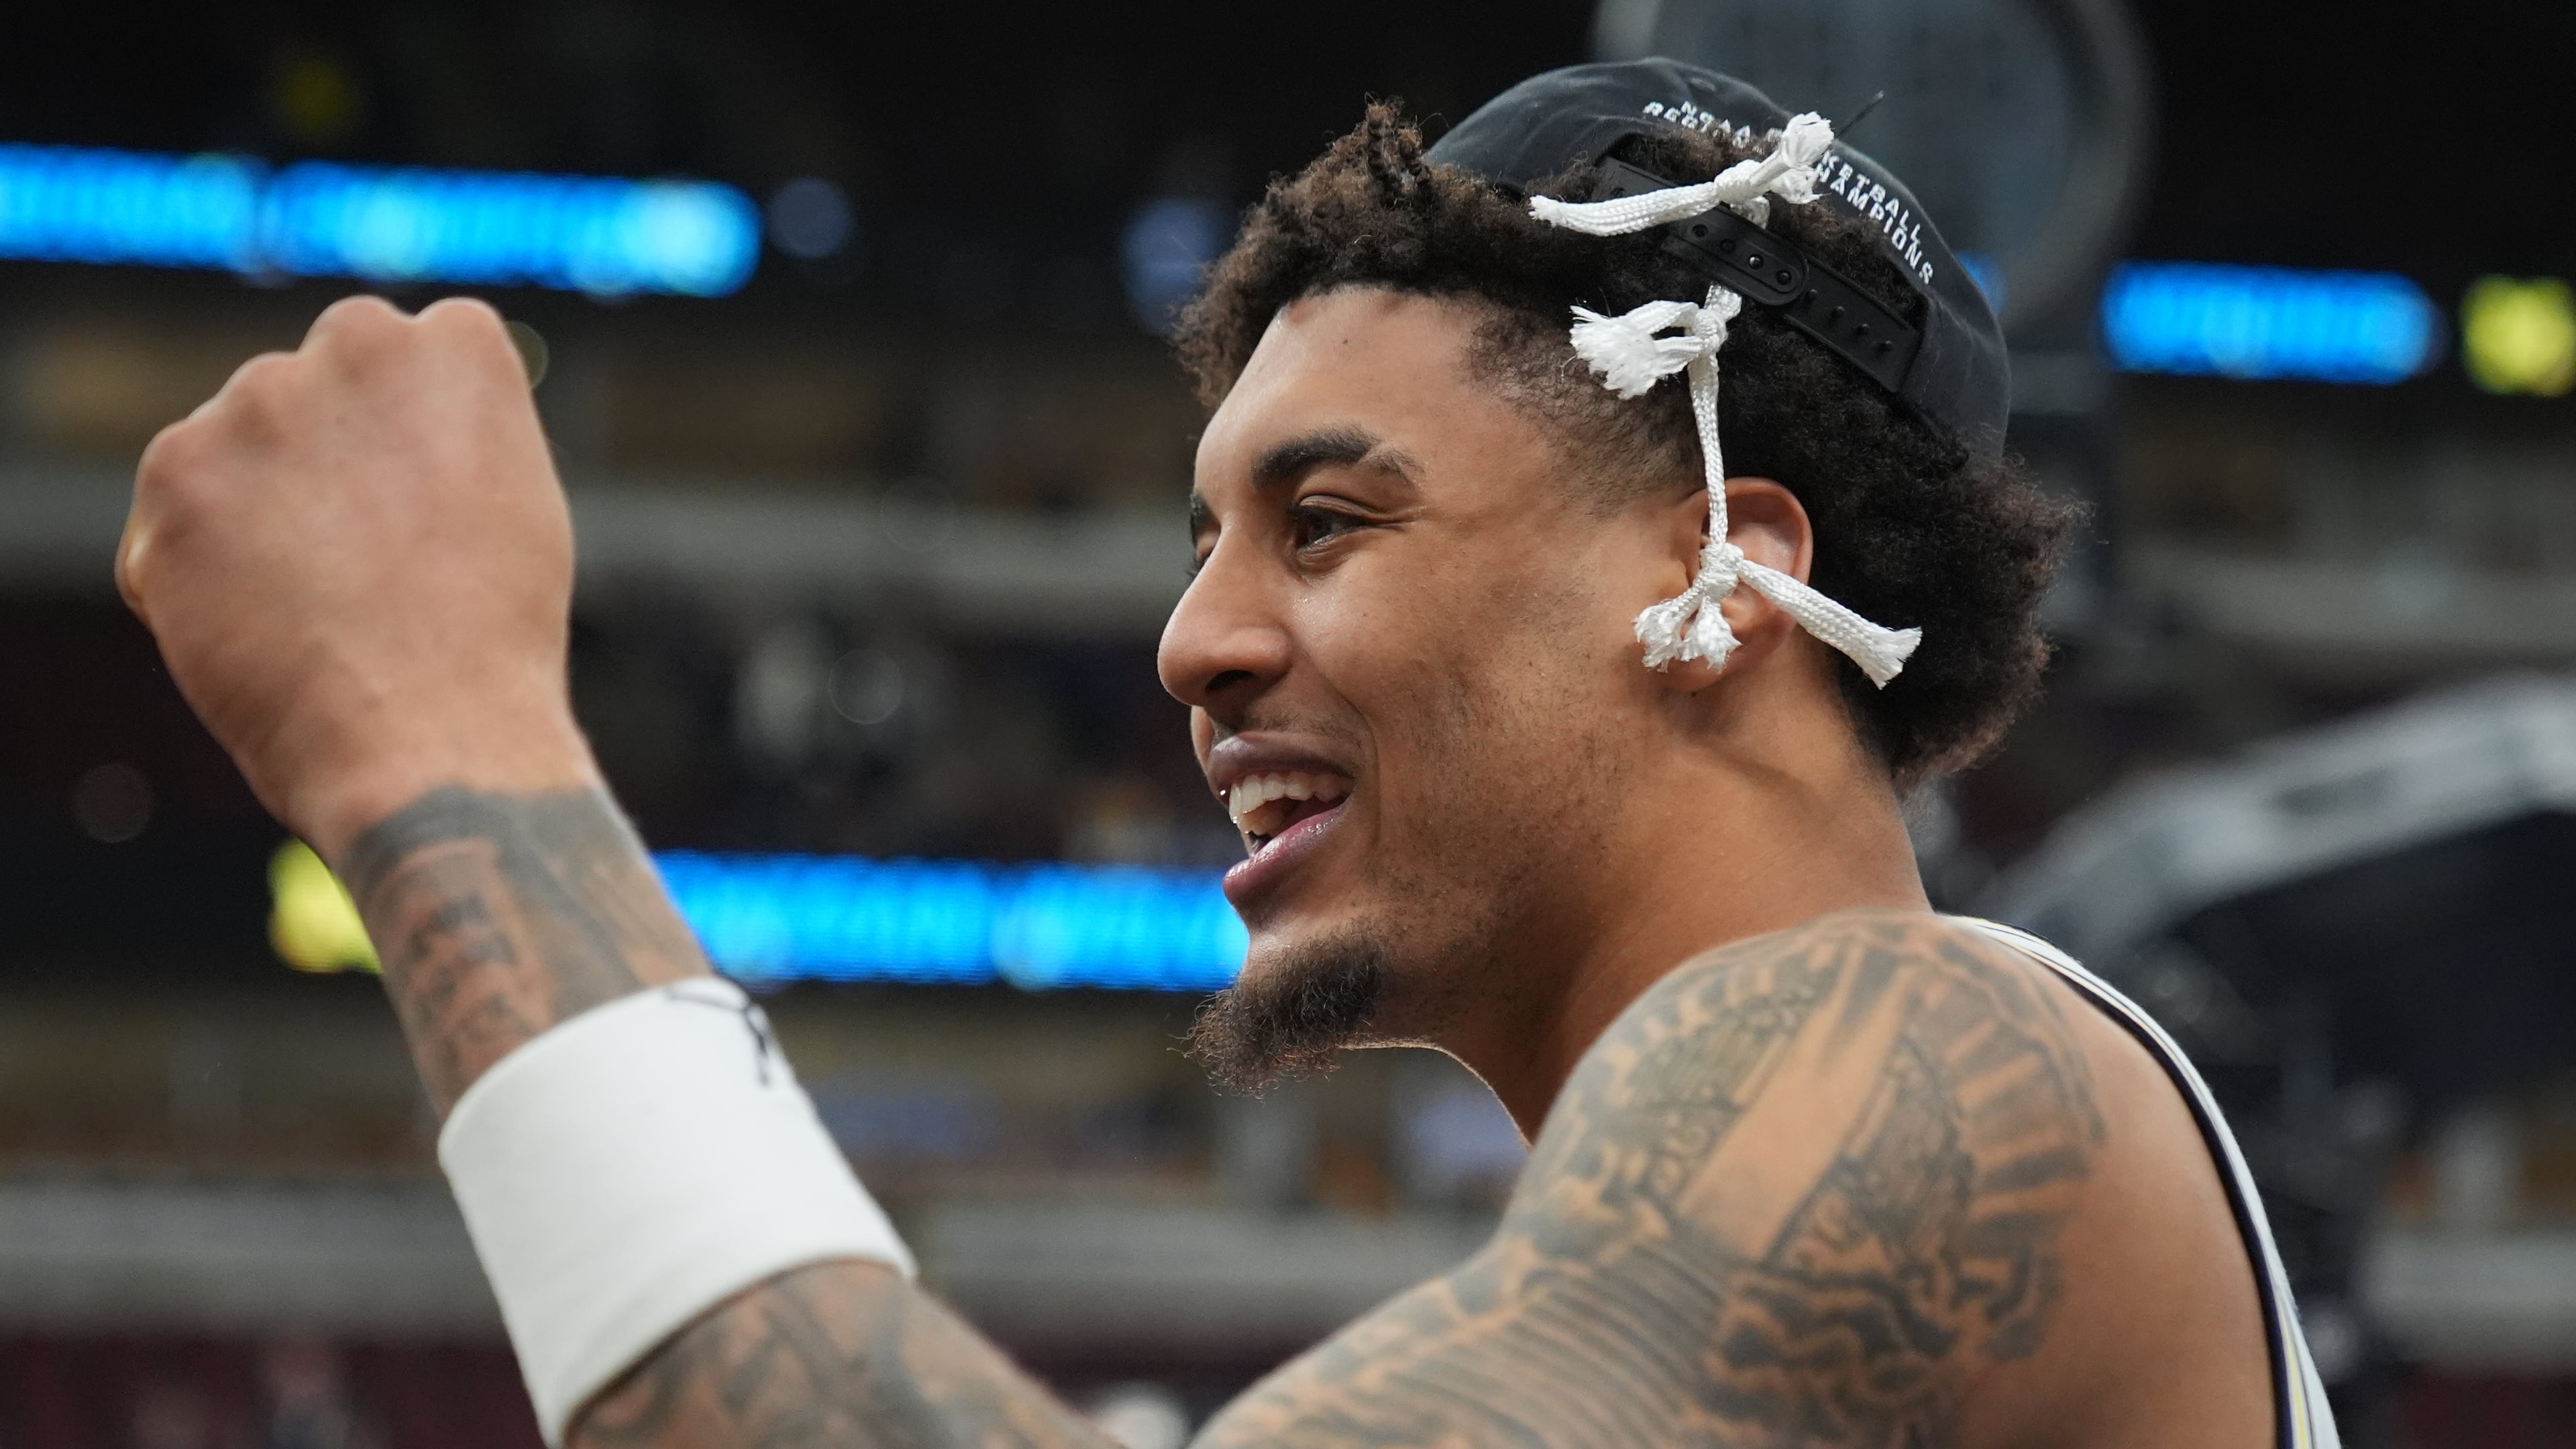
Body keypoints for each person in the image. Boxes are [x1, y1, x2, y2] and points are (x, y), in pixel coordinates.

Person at [114, 59, 2339, 1449]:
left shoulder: (1928, 1054)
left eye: (1329, 521)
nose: (1190, 643)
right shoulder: (1705, 1235)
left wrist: (445, 741)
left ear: (1728, 575)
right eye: (1203, 539)